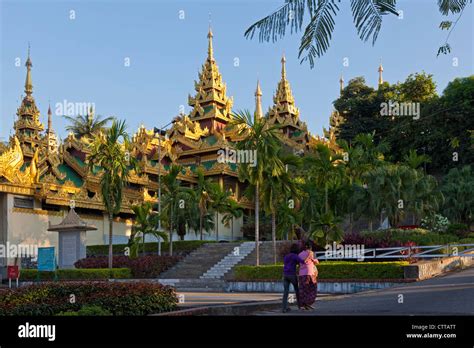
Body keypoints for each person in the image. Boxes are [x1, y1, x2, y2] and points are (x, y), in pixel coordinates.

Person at [282, 243, 306, 313]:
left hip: (285, 275)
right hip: (292, 275)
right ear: (297, 250)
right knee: (297, 290)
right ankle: (300, 306)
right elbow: (302, 261)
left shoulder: (286, 256)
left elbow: (287, 263)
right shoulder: (295, 256)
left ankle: (284, 308)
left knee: (285, 292)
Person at [298, 241, 319, 310]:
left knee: (303, 290)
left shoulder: (300, 254)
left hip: (301, 274)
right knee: (312, 289)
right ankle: (308, 302)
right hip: (310, 273)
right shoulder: (310, 253)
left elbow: (300, 263)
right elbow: (315, 261)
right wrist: (316, 261)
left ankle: (303, 305)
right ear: (310, 247)